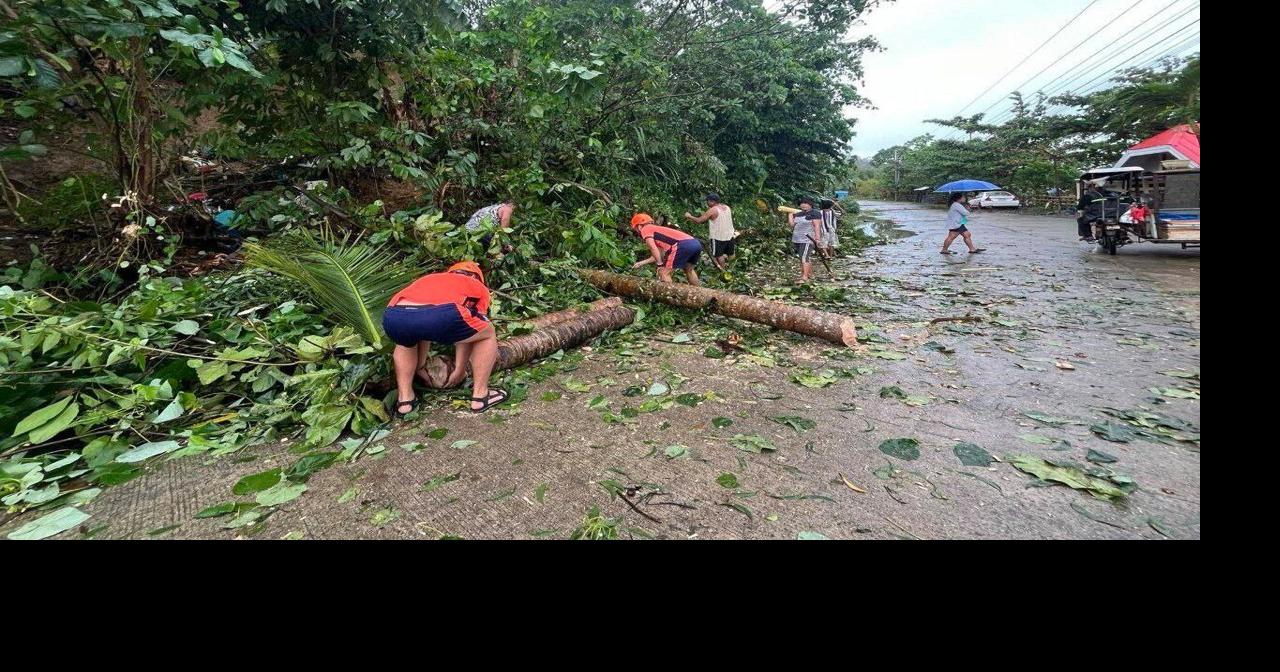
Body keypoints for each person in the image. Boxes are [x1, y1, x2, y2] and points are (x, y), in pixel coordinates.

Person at [381, 261, 508, 416]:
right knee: (486, 333)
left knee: (405, 341)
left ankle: (405, 401)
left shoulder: (431, 278)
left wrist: (420, 366)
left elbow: (421, 323)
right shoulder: (477, 286)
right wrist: (459, 370)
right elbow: (471, 332)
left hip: (394, 315)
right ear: (477, 277)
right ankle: (481, 396)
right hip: (442, 315)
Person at [630, 212, 702, 285]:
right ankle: (698, 291)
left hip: (682, 245)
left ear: (639, 226)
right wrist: (641, 263)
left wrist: (660, 264)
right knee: (689, 270)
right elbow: (659, 254)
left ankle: (670, 292)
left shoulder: (645, 229)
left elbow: (652, 248)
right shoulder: (656, 231)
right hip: (695, 243)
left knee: (664, 273)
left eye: (636, 229)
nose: (637, 232)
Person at [684, 193, 735, 272]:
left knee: (719, 255)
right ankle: (733, 269)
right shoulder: (727, 207)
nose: (707, 203)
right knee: (731, 253)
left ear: (712, 201)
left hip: (718, 237)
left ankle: (723, 272)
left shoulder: (713, 210)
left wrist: (689, 216)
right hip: (729, 235)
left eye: (707, 201)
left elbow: (699, 220)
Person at [789, 197, 824, 282]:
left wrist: (817, 239)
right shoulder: (798, 214)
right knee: (803, 257)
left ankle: (805, 277)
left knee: (804, 258)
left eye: (806, 203)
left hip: (807, 239)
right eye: (801, 203)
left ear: (810, 204)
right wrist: (790, 215)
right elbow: (792, 225)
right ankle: (809, 275)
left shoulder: (815, 213)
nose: (803, 205)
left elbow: (817, 226)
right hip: (797, 239)